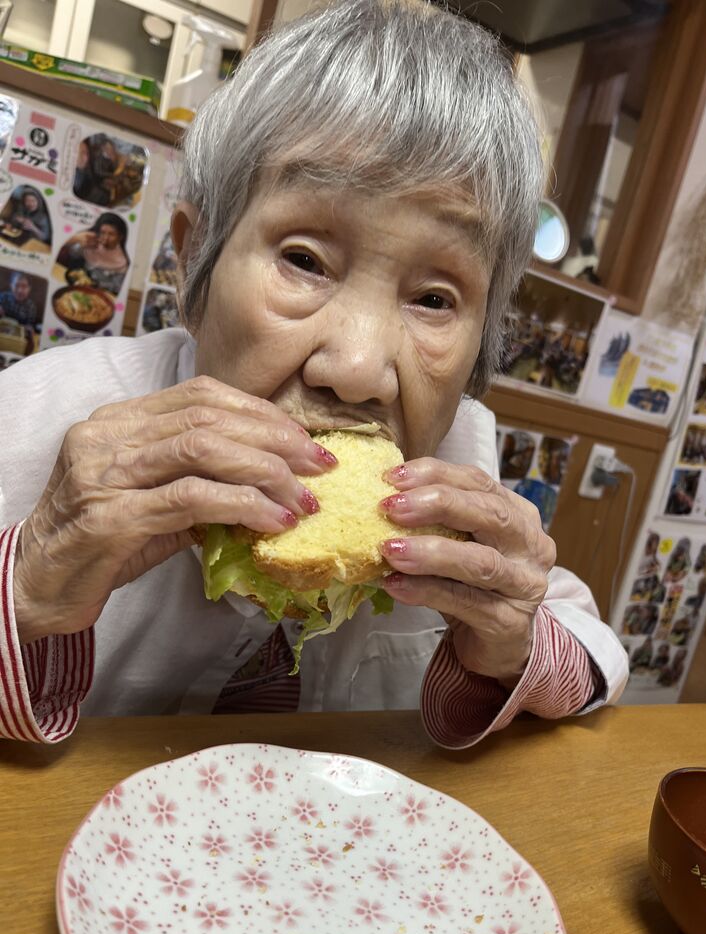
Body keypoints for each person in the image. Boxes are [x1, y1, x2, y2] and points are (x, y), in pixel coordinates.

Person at [0, 0, 627, 747]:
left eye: (434, 300)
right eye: (304, 260)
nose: (357, 371)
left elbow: (592, 647)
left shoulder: (457, 465)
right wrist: (27, 584)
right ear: (194, 260)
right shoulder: (41, 417)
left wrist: (513, 643)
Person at [56, 212, 130, 294]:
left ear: (120, 237)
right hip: (75, 284)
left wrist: (96, 284)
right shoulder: (92, 242)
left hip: (97, 292)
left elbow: (117, 287)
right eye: (103, 233)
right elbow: (73, 254)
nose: (105, 238)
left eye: (111, 234)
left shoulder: (122, 260)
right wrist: (81, 244)